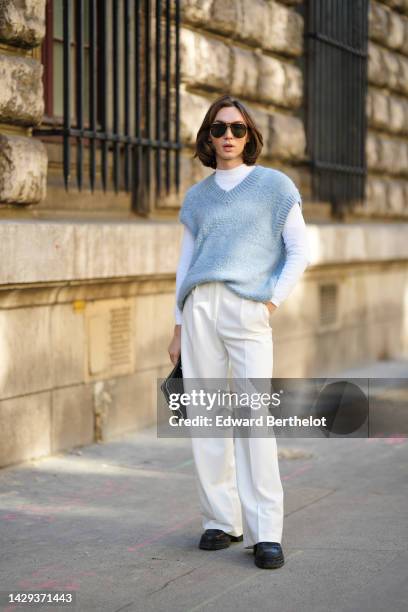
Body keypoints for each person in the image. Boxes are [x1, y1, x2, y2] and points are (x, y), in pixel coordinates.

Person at [167, 94, 310, 569]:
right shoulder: (197, 196)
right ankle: (219, 520)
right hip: (199, 307)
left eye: (237, 129)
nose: (228, 136)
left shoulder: (275, 186)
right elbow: (185, 264)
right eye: (219, 129)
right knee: (207, 416)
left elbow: (298, 252)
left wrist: (270, 301)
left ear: (250, 136)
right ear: (208, 137)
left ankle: (265, 531)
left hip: (248, 307)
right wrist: (178, 323)